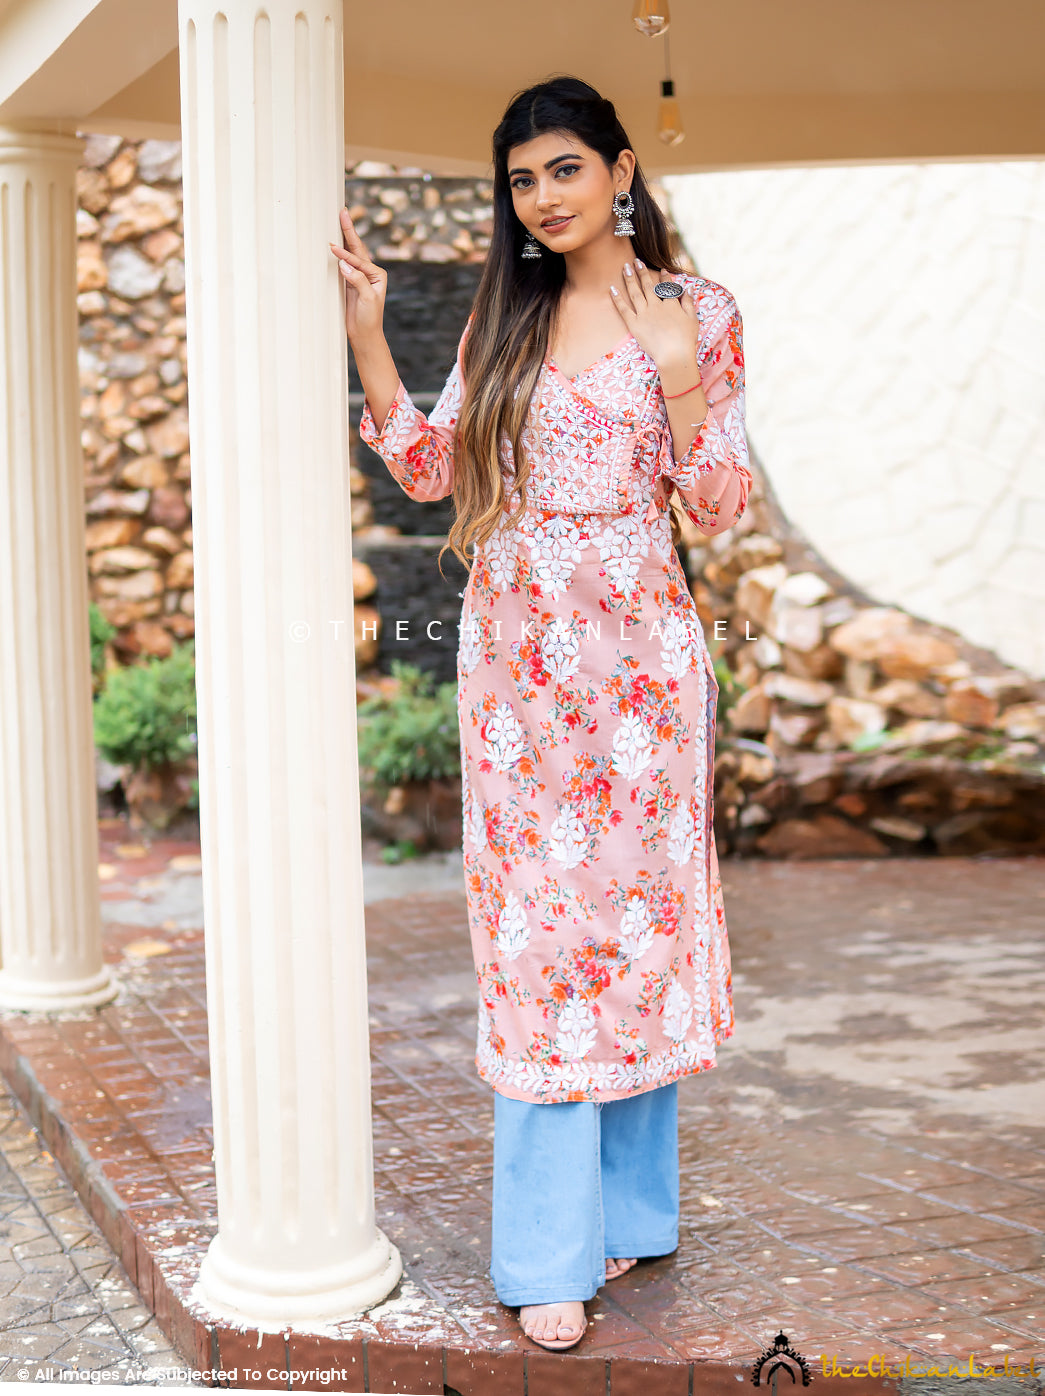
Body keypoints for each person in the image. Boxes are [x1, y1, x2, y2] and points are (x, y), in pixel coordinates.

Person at [329, 75, 751, 1353]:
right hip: (517, 666)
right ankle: (547, 1252)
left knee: (635, 925)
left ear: (620, 172)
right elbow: (429, 469)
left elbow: (720, 502)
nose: (544, 196)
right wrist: (367, 334)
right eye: (522, 177)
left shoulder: (697, 311)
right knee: (536, 938)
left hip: (638, 665)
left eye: (565, 168)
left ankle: (631, 1209)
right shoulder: (501, 317)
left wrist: (677, 377)